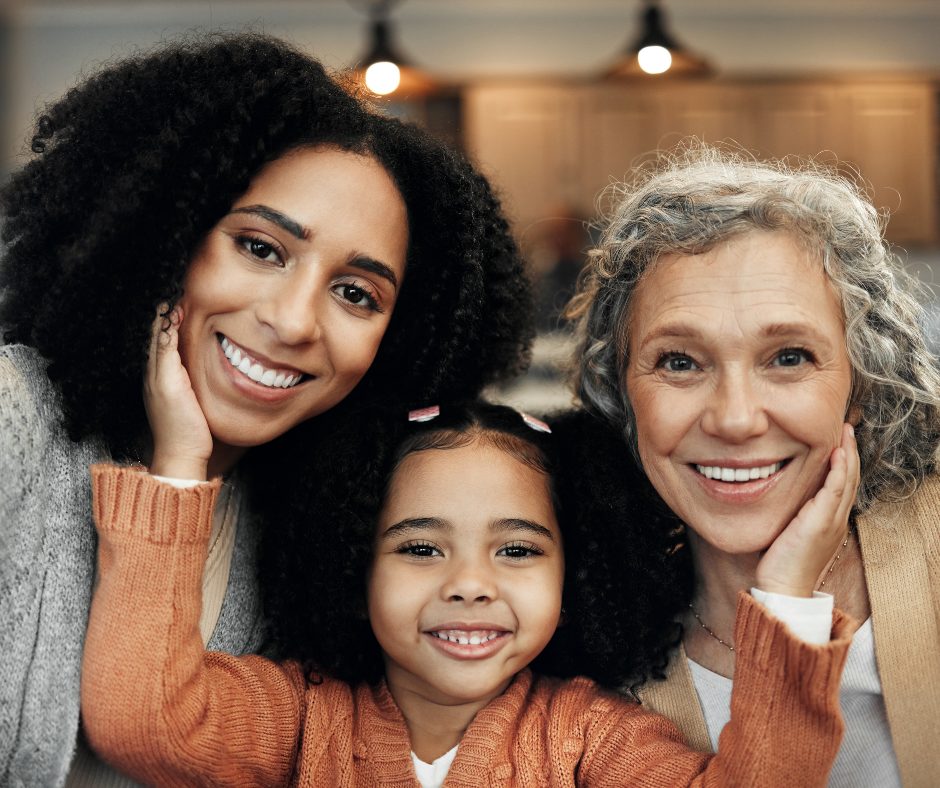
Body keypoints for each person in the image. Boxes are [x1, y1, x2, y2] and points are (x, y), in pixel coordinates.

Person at [0, 33, 532, 787]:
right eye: (260, 247)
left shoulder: (315, 529)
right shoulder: (13, 417)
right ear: (169, 234)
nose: (293, 321)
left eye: (356, 293)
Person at [81, 379, 856, 787]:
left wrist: (786, 589)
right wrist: (180, 461)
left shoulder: (589, 736)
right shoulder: (300, 716)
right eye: (421, 549)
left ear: (573, 573)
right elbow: (142, 719)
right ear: (355, 569)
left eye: (517, 552)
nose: (471, 585)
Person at [568, 143, 940, 787]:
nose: (735, 419)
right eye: (680, 361)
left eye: (789, 357)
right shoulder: (581, 635)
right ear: (621, 394)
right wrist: (785, 604)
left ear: (860, 386)